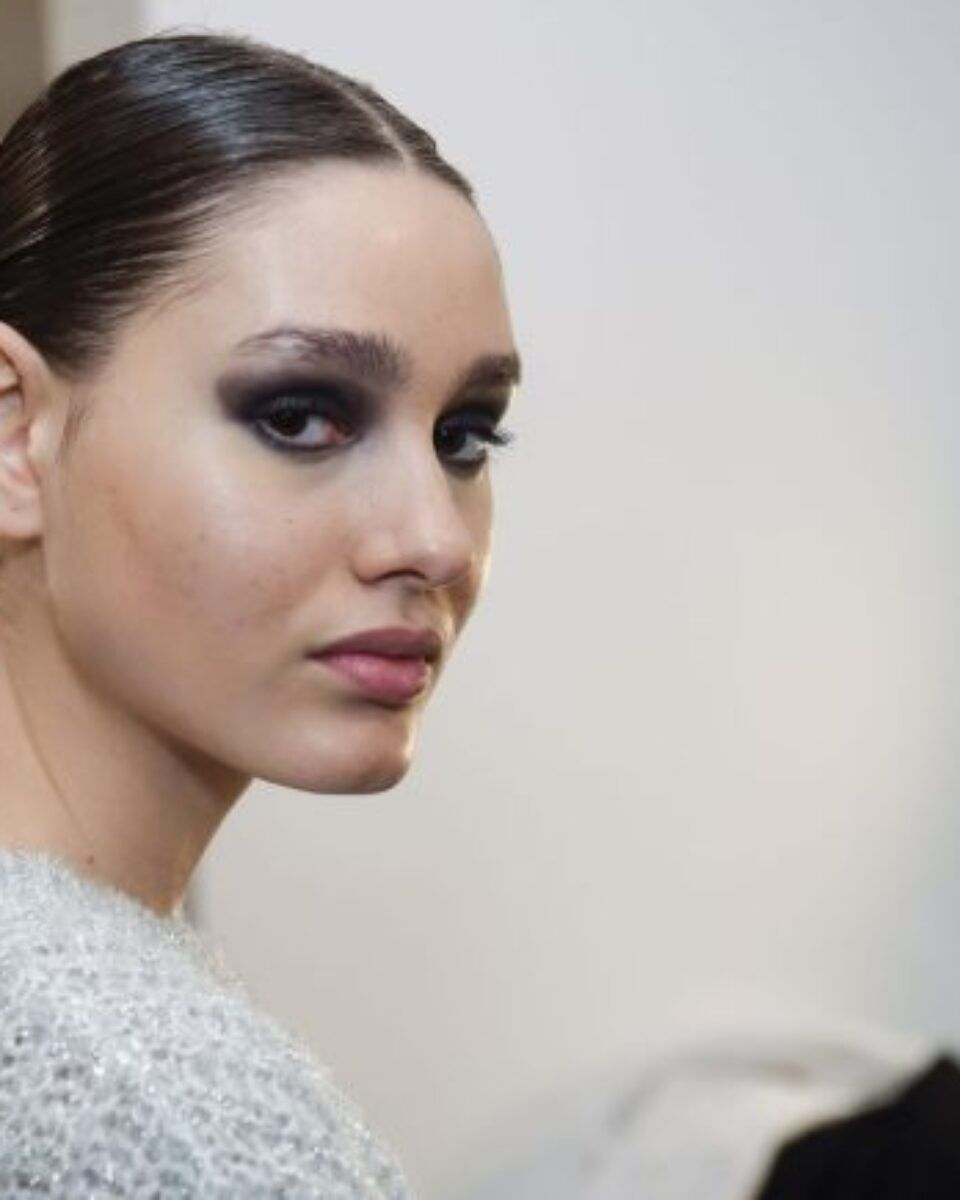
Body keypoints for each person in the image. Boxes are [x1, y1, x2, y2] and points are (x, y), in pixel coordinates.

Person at [0, 29, 519, 1195]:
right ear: (15, 434)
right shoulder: (157, 1097)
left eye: (465, 435)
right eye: (300, 416)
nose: (436, 538)